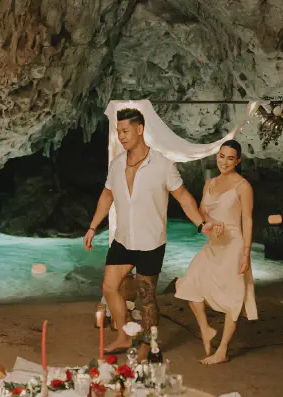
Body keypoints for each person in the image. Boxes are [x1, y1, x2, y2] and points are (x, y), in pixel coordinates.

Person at [83, 108, 223, 358]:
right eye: (118, 132)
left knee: (146, 298)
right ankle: (125, 336)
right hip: (124, 239)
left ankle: (148, 345)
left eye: (125, 131)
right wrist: (93, 226)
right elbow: (107, 195)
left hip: (150, 241)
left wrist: (201, 224)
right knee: (109, 286)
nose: (121, 136)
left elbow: (183, 197)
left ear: (139, 129)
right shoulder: (116, 164)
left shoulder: (162, 164)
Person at [175, 140, 257, 365]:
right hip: (214, 243)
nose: (224, 161)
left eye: (230, 158)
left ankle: (222, 350)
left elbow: (247, 219)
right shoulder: (209, 183)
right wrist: (211, 221)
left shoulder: (243, 186)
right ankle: (205, 328)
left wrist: (246, 253)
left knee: (233, 296)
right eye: (221, 156)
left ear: (238, 161)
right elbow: (201, 211)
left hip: (234, 245)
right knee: (187, 282)